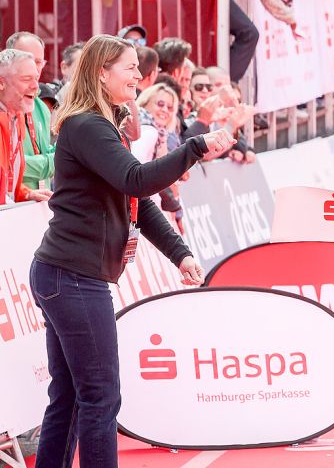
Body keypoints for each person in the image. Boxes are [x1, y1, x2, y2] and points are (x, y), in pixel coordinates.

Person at [29, 35, 234, 468]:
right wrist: (194, 148)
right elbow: (137, 181)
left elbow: (135, 203)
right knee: (100, 395)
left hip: (65, 275)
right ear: (102, 73)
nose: (139, 76)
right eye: (130, 68)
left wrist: (181, 254)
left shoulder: (98, 125)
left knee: (70, 397)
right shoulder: (88, 125)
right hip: (72, 278)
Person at [0, 49, 51, 205]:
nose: (35, 86)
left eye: (36, 78)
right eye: (26, 79)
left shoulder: (16, 117)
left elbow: (7, 182)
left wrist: (25, 194)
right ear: (1, 83)